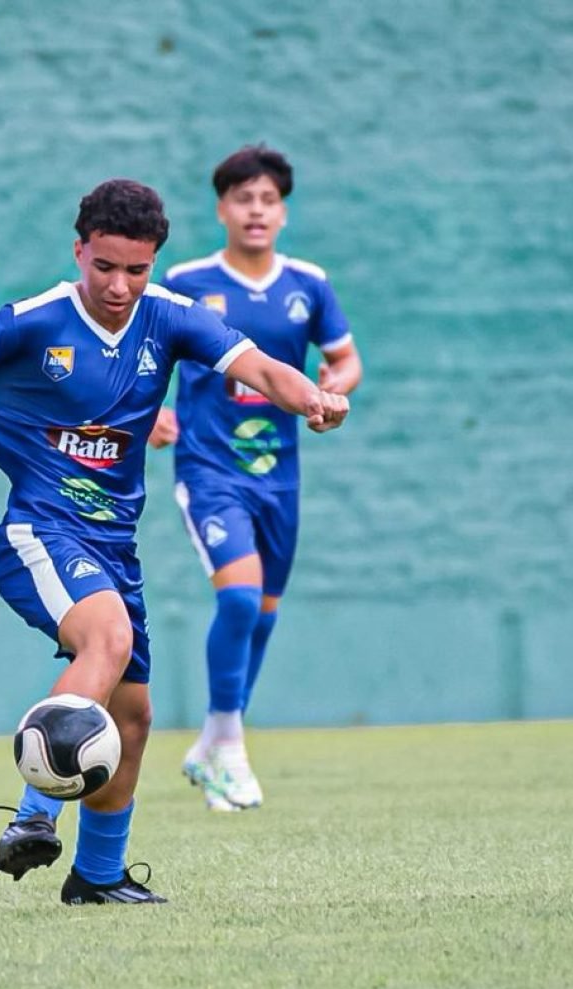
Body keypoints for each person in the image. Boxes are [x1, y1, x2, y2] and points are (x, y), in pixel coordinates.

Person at [0, 178, 348, 904]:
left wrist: (313, 398)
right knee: (103, 640)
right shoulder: (32, 321)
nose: (118, 285)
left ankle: (99, 877)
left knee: (134, 716)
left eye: (135, 270)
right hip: (38, 533)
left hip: (115, 546)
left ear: (154, 264)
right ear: (80, 251)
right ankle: (33, 815)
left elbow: (259, 367)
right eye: (103, 266)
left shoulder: (172, 317)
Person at [149, 145, 363, 811]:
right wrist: (151, 410)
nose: (256, 211)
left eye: (268, 200)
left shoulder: (309, 285)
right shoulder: (186, 280)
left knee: (263, 615)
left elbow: (346, 360)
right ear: (222, 209)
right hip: (209, 469)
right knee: (239, 599)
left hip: (280, 476)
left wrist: (336, 389)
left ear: (283, 212)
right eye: (243, 199)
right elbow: (144, 352)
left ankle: (211, 742)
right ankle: (231, 749)